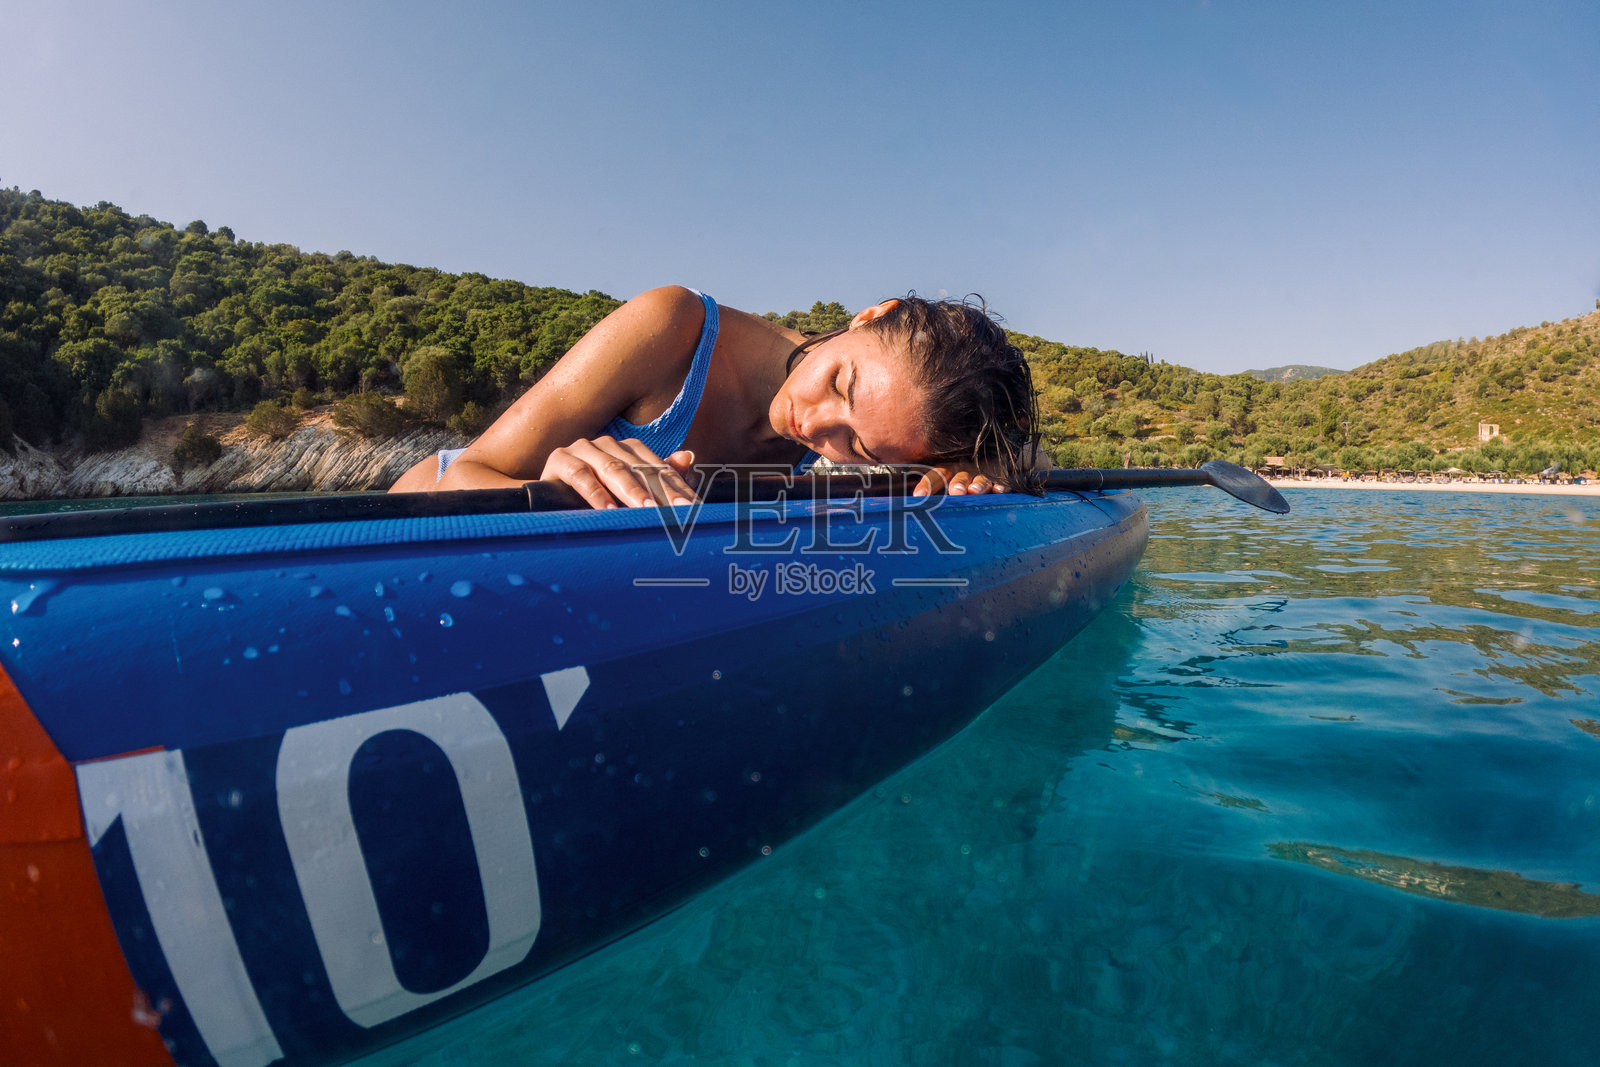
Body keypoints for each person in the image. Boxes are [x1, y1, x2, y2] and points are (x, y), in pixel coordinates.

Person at [388, 285, 1040, 507]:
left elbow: (1030, 457)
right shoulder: (672, 328)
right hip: (428, 504)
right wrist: (562, 493)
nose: (811, 422)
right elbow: (472, 472)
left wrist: (984, 468)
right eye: (840, 382)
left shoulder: (893, 440)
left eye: (854, 442)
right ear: (871, 314)